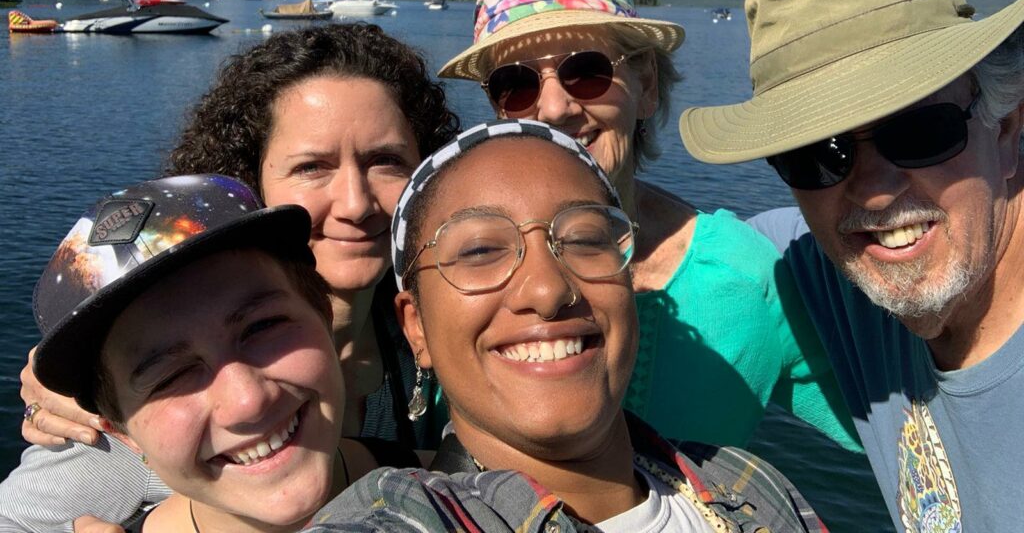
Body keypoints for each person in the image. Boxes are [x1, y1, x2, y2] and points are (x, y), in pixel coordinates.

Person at [2, 24, 459, 530]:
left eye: (386, 161)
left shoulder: (442, 326)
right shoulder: (118, 426)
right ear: (249, 178)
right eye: (312, 167)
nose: (355, 203)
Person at [436, 0, 858, 449]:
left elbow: (897, 442)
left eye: (586, 71)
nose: (553, 109)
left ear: (647, 85)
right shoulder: (454, 268)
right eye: (516, 84)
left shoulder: (743, 276)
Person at [310, 119, 826, 532]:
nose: (548, 289)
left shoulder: (751, 484)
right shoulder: (398, 519)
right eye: (481, 250)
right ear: (416, 326)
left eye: (584, 240)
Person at [679, 0, 1024, 531]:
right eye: (817, 153)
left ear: (1007, 127)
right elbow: (674, 245)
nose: (872, 187)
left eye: (918, 130)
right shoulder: (830, 273)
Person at [30, 174, 358, 533]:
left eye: (262, 327)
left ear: (324, 316)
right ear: (123, 434)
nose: (247, 401)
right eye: (171, 376)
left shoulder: (429, 481)